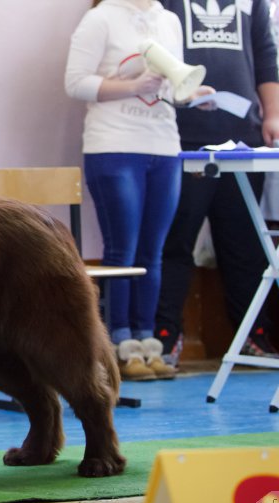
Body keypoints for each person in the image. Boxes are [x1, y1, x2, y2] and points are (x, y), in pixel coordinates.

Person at [65, 0, 214, 380]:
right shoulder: (100, 18)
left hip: (164, 145)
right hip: (115, 144)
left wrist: (192, 94)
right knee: (123, 251)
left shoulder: (168, 20)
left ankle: (149, 343)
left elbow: (171, 87)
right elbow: (75, 82)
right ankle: (119, 344)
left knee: (153, 252)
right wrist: (133, 86)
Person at [156, 0, 279, 362]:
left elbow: (266, 55)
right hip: (183, 139)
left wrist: (272, 115)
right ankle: (165, 336)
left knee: (245, 245)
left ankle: (253, 335)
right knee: (175, 241)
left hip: (243, 139)